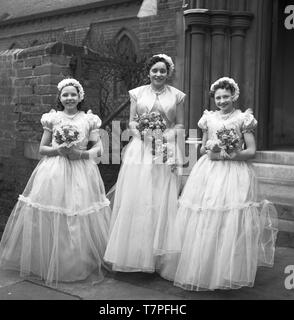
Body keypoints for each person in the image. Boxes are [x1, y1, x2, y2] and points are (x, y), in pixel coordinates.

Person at [0, 78, 111, 286]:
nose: (69, 98)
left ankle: (77, 263)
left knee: (77, 213)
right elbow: (42, 149)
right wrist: (58, 150)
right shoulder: (53, 119)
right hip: (54, 172)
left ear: (80, 97)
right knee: (53, 213)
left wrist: (81, 155)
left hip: (81, 171)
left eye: (73, 94)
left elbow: (99, 149)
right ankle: (51, 261)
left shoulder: (89, 119)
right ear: (60, 97)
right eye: (65, 94)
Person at [171, 77, 278, 291]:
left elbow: (251, 151)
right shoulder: (207, 119)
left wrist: (228, 153)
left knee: (230, 218)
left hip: (234, 172)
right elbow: (202, 148)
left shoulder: (243, 119)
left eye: (226, 96)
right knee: (207, 215)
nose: (221, 101)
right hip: (209, 172)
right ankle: (205, 266)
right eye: (218, 97)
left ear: (234, 96)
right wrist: (211, 148)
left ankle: (227, 268)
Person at [104, 54, 186, 274]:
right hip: (140, 149)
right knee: (138, 197)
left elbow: (179, 124)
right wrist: (144, 133)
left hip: (166, 149)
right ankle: (135, 255)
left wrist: (164, 137)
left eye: (163, 71)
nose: (158, 74)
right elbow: (131, 121)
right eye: (154, 70)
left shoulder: (177, 96)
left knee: (161, 198)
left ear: (168, 73)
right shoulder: (137, 93)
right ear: (148, 72)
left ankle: (160, 258)